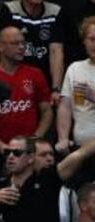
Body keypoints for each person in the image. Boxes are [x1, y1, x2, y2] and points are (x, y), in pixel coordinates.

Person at [0, 27, 53, 153]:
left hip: (29, 151)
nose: (21, 47)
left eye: (23, 43)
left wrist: (35, 140)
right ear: (0, 46)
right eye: (15, 43)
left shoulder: (35, 74)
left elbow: (47, 111)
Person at [0, 0, 61, 87]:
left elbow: (56, 51)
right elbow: (4, 47)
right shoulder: (10, 9)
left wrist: (56, 88)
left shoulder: (55, 11)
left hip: (45, 77)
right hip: (15, 78)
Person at [57, 17, 95, 154]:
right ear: (84, 41)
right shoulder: (75, 68)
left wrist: (92, 96)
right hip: (80, 147)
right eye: (91, 39)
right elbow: (65, 106)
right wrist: (63, 138)